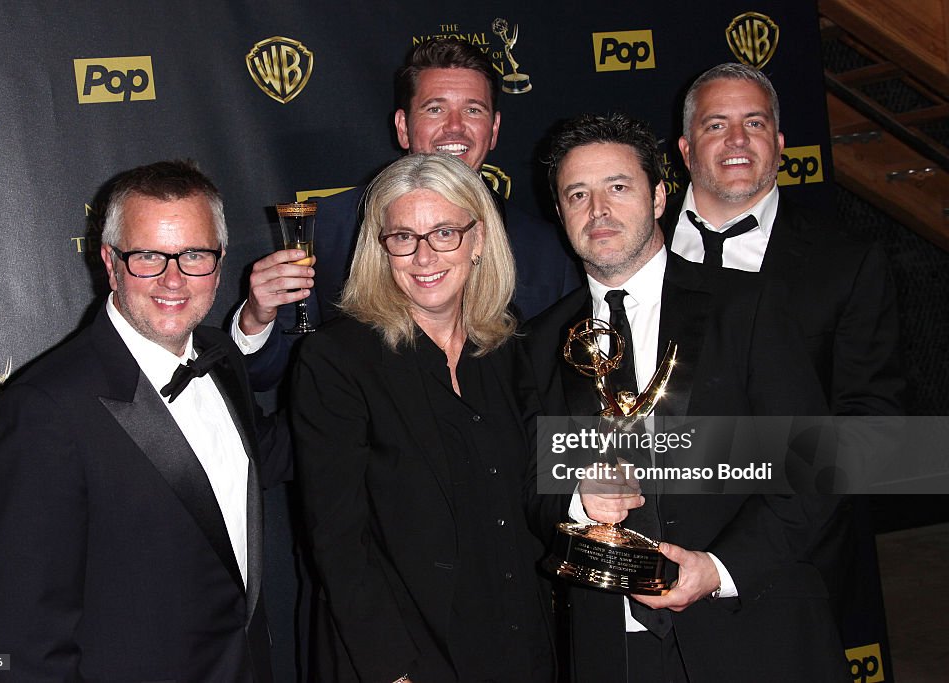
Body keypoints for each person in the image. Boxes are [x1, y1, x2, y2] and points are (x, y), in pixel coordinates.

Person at [521, 113, 849, 682]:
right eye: (578, 193)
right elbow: (530, 485)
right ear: (560, 212)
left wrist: (718, 569)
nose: (598, 209)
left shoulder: (745, 306)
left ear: (658, 198)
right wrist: (576, 497)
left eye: (618, 187)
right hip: (612, 651)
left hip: (751, 633)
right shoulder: (538, 343)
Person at [0, 160, 289, 682]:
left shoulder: (220, 355)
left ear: (220, 261)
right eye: (147, 256)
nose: (173, 278)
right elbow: (24, 640)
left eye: (193, 255)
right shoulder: (44, 409)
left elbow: (264, 456)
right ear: (110, 261)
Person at [290, 153, 555, 682]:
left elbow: (533, 489)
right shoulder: (337, 360)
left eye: (444, 234)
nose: (423, 255)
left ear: (478, 240)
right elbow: (338, 542)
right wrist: (393, 670)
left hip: (517, 642)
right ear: (380, 247)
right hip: (403, 654)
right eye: (403, 237)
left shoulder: (506, 345)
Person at [233, 37, 580, 391]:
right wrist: (256, 319)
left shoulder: (548, 251)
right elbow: (268, 376)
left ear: (493, 129)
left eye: (473, 110)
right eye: (435, 109)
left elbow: (564, 392)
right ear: (402, 126)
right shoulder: (328, 230)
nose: (455, 127)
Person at [666, 62, 902, 416]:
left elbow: (871, 413)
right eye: (716, 125)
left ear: (778, 145)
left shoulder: (849, 262)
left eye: (754, 123)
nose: (738, 139)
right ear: (686, 150)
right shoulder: (634, 242)